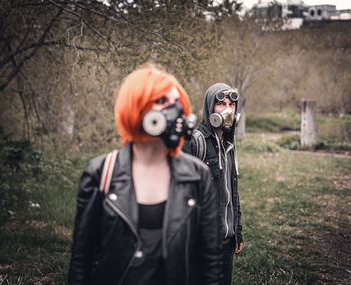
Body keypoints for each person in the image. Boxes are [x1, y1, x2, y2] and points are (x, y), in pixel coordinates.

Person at [68, 64, 222, 285]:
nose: (174, 110)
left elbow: (211, 260)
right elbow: (81, 260)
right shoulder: (101, 173)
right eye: (161, 101)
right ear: (136, 107)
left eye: (176, 102)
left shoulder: (198, 176)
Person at [182, 83, 243, 285]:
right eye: (221, 104)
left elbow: (233, 190)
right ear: (210, 108)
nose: (227, 110)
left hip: (227, 240)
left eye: (231, 105)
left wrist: (237, 230)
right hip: (202, 242)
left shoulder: (230, 144)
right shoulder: (194, 142)